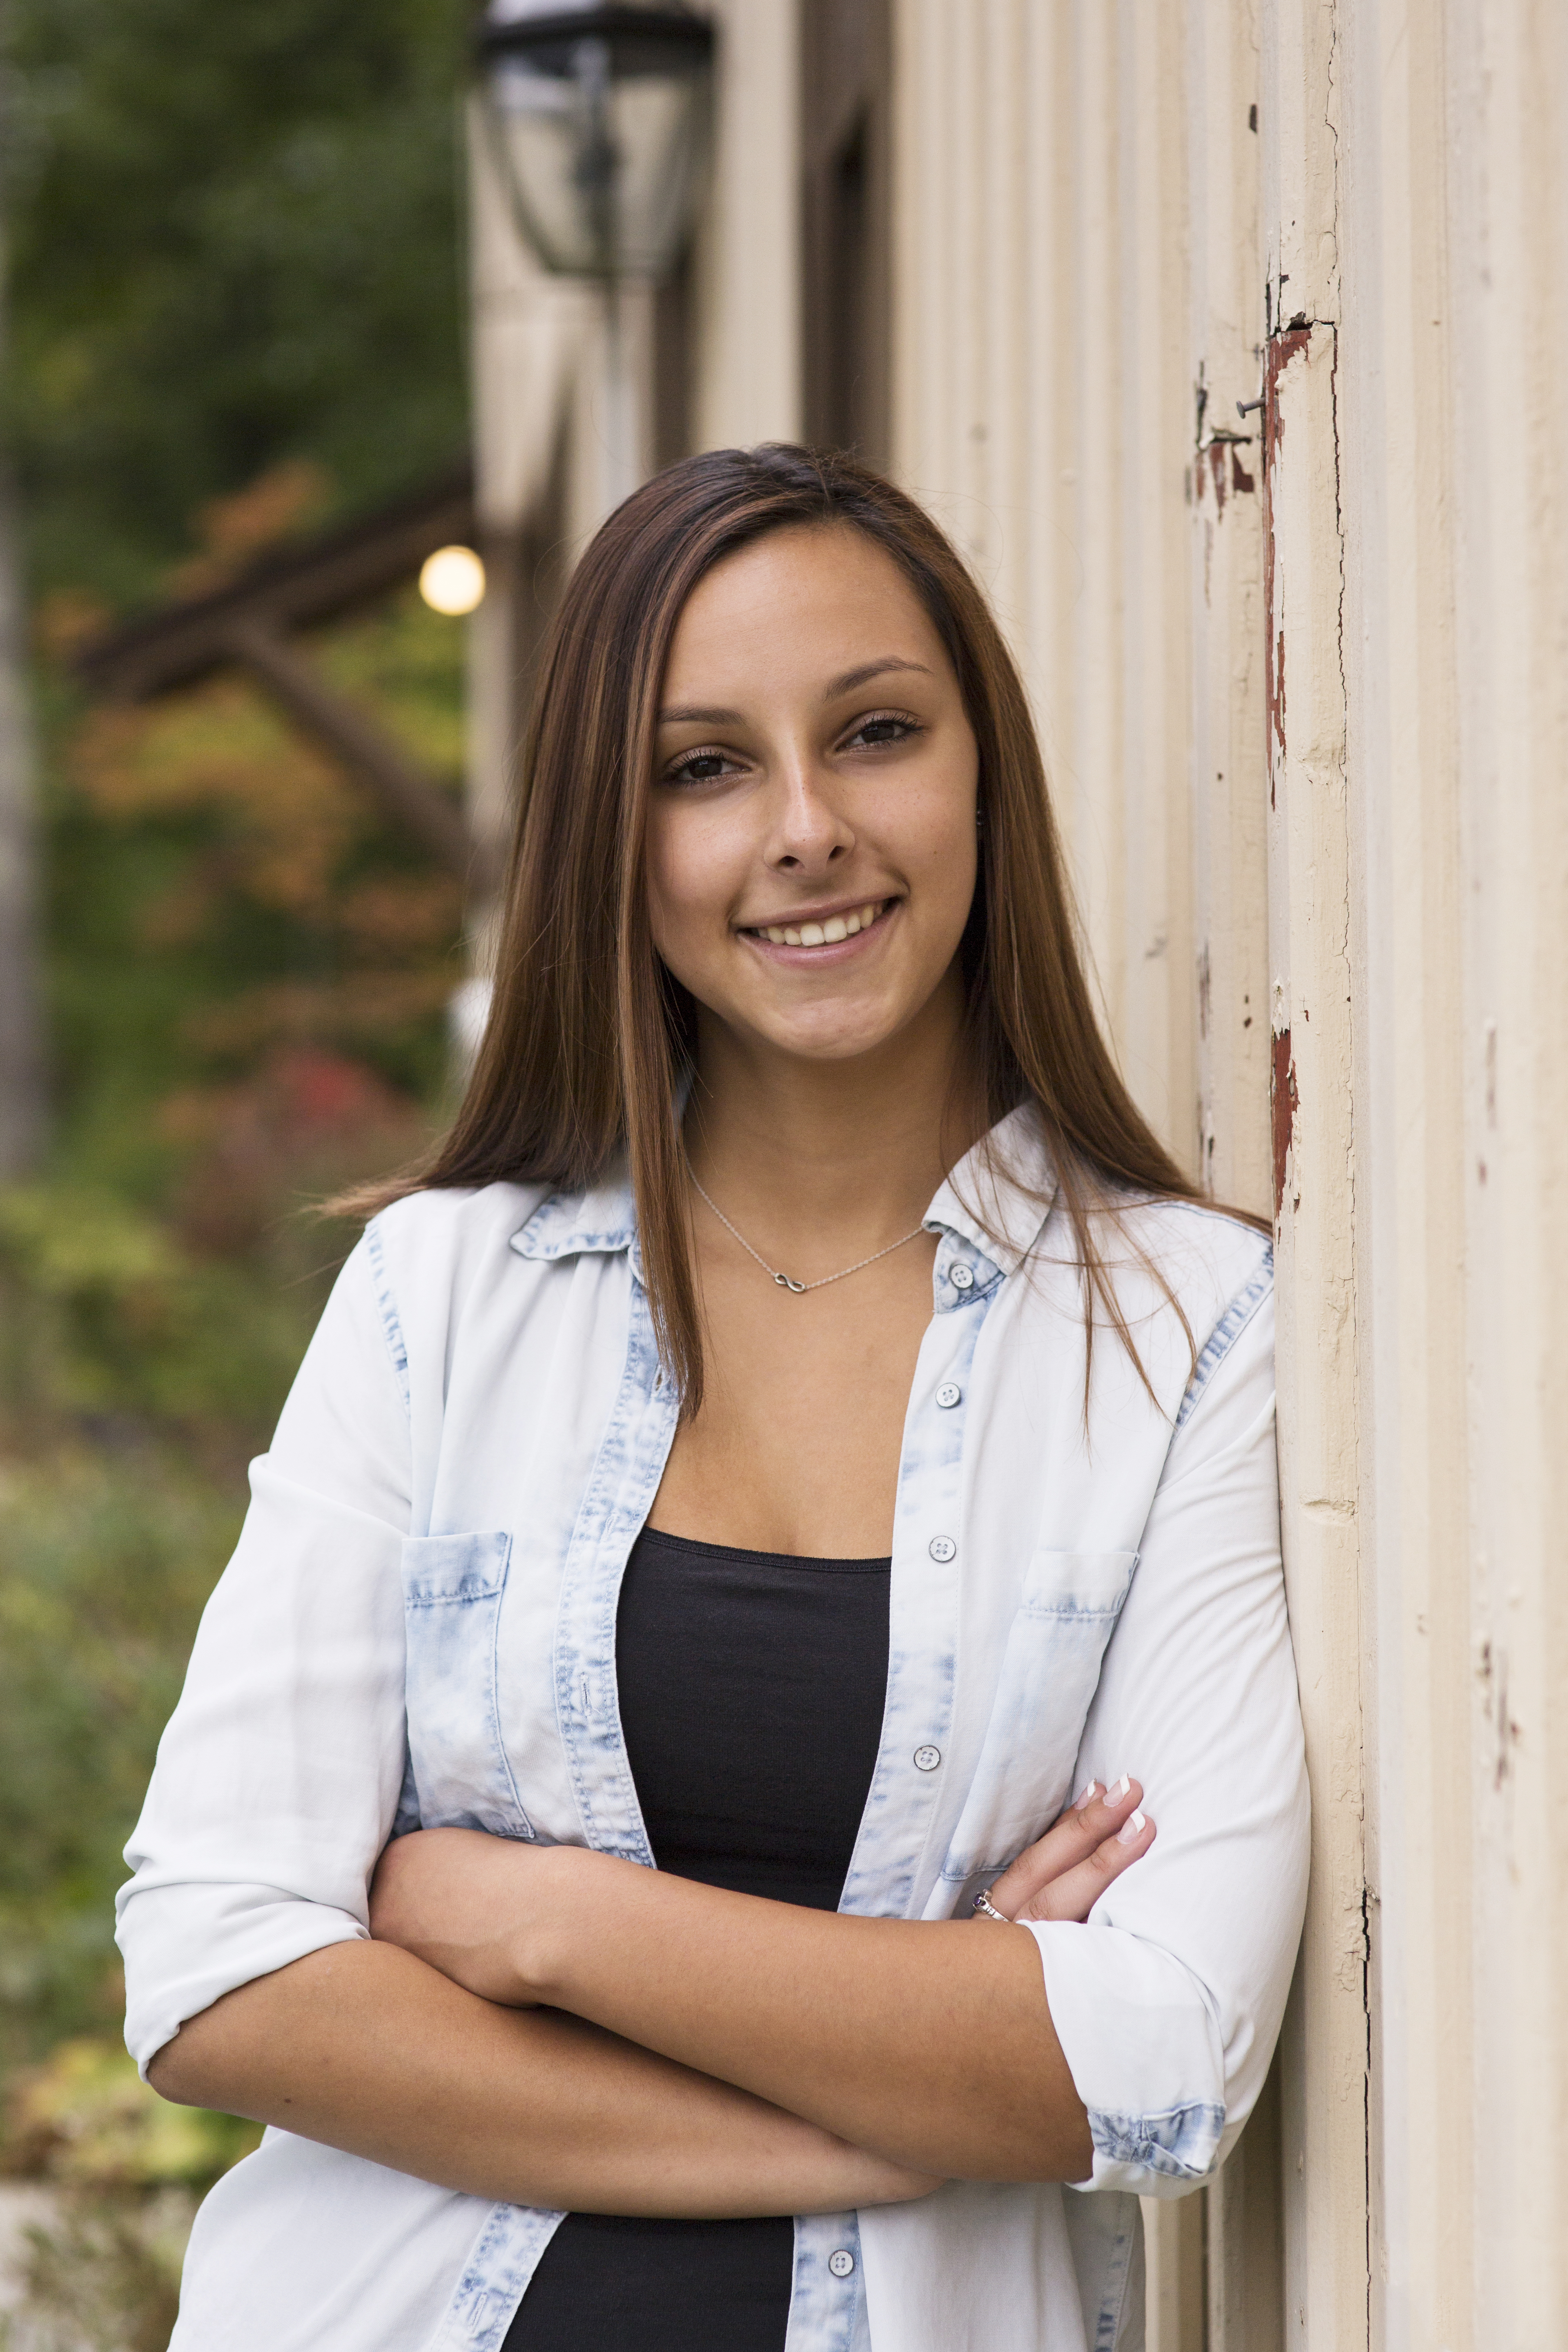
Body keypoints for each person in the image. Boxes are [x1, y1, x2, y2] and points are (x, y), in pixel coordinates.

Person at [120, 444, 1308, 2352]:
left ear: (981, 771)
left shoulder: (1175, 1327)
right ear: (616, 835)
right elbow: (218, 1970)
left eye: (877, 732)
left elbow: (1155, 2058)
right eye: (706, 767)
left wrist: (542, 1925)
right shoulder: (446, 1298)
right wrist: (911, 2076)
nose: (807, 828)